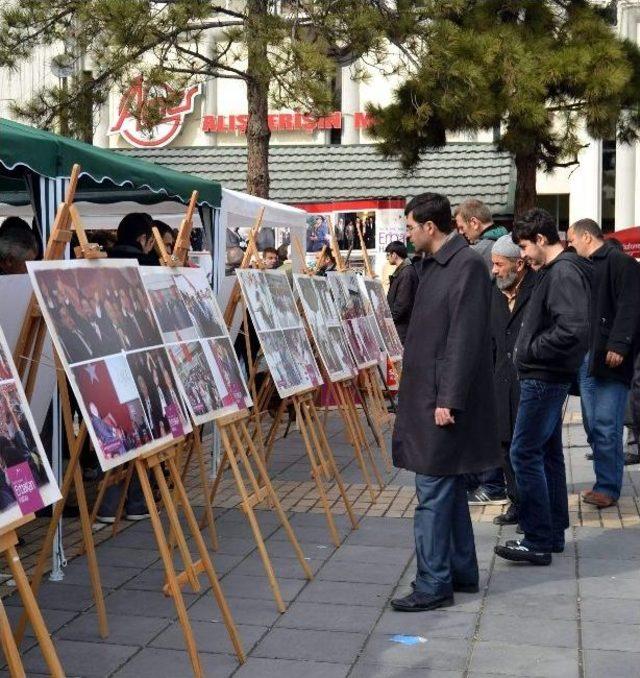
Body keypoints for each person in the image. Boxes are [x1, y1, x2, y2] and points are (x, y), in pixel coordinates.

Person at [390, 193, 500, 613]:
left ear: (430, 227)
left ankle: (433, 582)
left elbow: (466, 337)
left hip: (441, 400)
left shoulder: (465, 264)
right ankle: (460, 572)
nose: (408, 234)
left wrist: (449, 398)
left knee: (432, 490)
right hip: (431, 395)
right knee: (447, 488)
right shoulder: (437, 264)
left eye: (411, 228)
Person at [494, 208, 591, 566]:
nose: (523, 254)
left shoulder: (563, 271)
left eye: (524, 245)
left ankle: (536, 537)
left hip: (544, 377)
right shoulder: (557, 269)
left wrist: (531, 350)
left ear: (539, 240)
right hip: (544, 375)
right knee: (546, 452)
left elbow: (572, 328)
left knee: (524, 453)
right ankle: (550, 532)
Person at [568, 218, 640, 508]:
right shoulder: (588, 265)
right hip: (588, 357)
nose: (570, 245)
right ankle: (604, 481)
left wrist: (619, 344)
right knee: (592, 424)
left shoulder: (621, 264)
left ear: (587, 237)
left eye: (572, 239)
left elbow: (631, 306)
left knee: (607, 424)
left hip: (609, 358)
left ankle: (608, 487)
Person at [489, 235, 537, 528]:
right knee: (505, 446)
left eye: (499, 264)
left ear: (518, 264)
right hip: (500, 380)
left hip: (530, 382)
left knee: (529, 450)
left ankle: (534, 510)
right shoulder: (494, 293)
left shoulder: (538, 288)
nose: (494, 270)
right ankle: (516, 502)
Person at [454, 199, 508, 272]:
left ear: (474, 223)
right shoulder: (509, 240)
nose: (460, 232)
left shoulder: (477, 252)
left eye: (462, 227)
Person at [385, 241, 418, 345]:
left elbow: (402, 305)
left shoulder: (406, 273)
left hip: (403, 331)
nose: (387, 258)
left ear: (394, 254)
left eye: (388, 254)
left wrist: (388, 322)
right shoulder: (403, 271)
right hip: (401, 328)